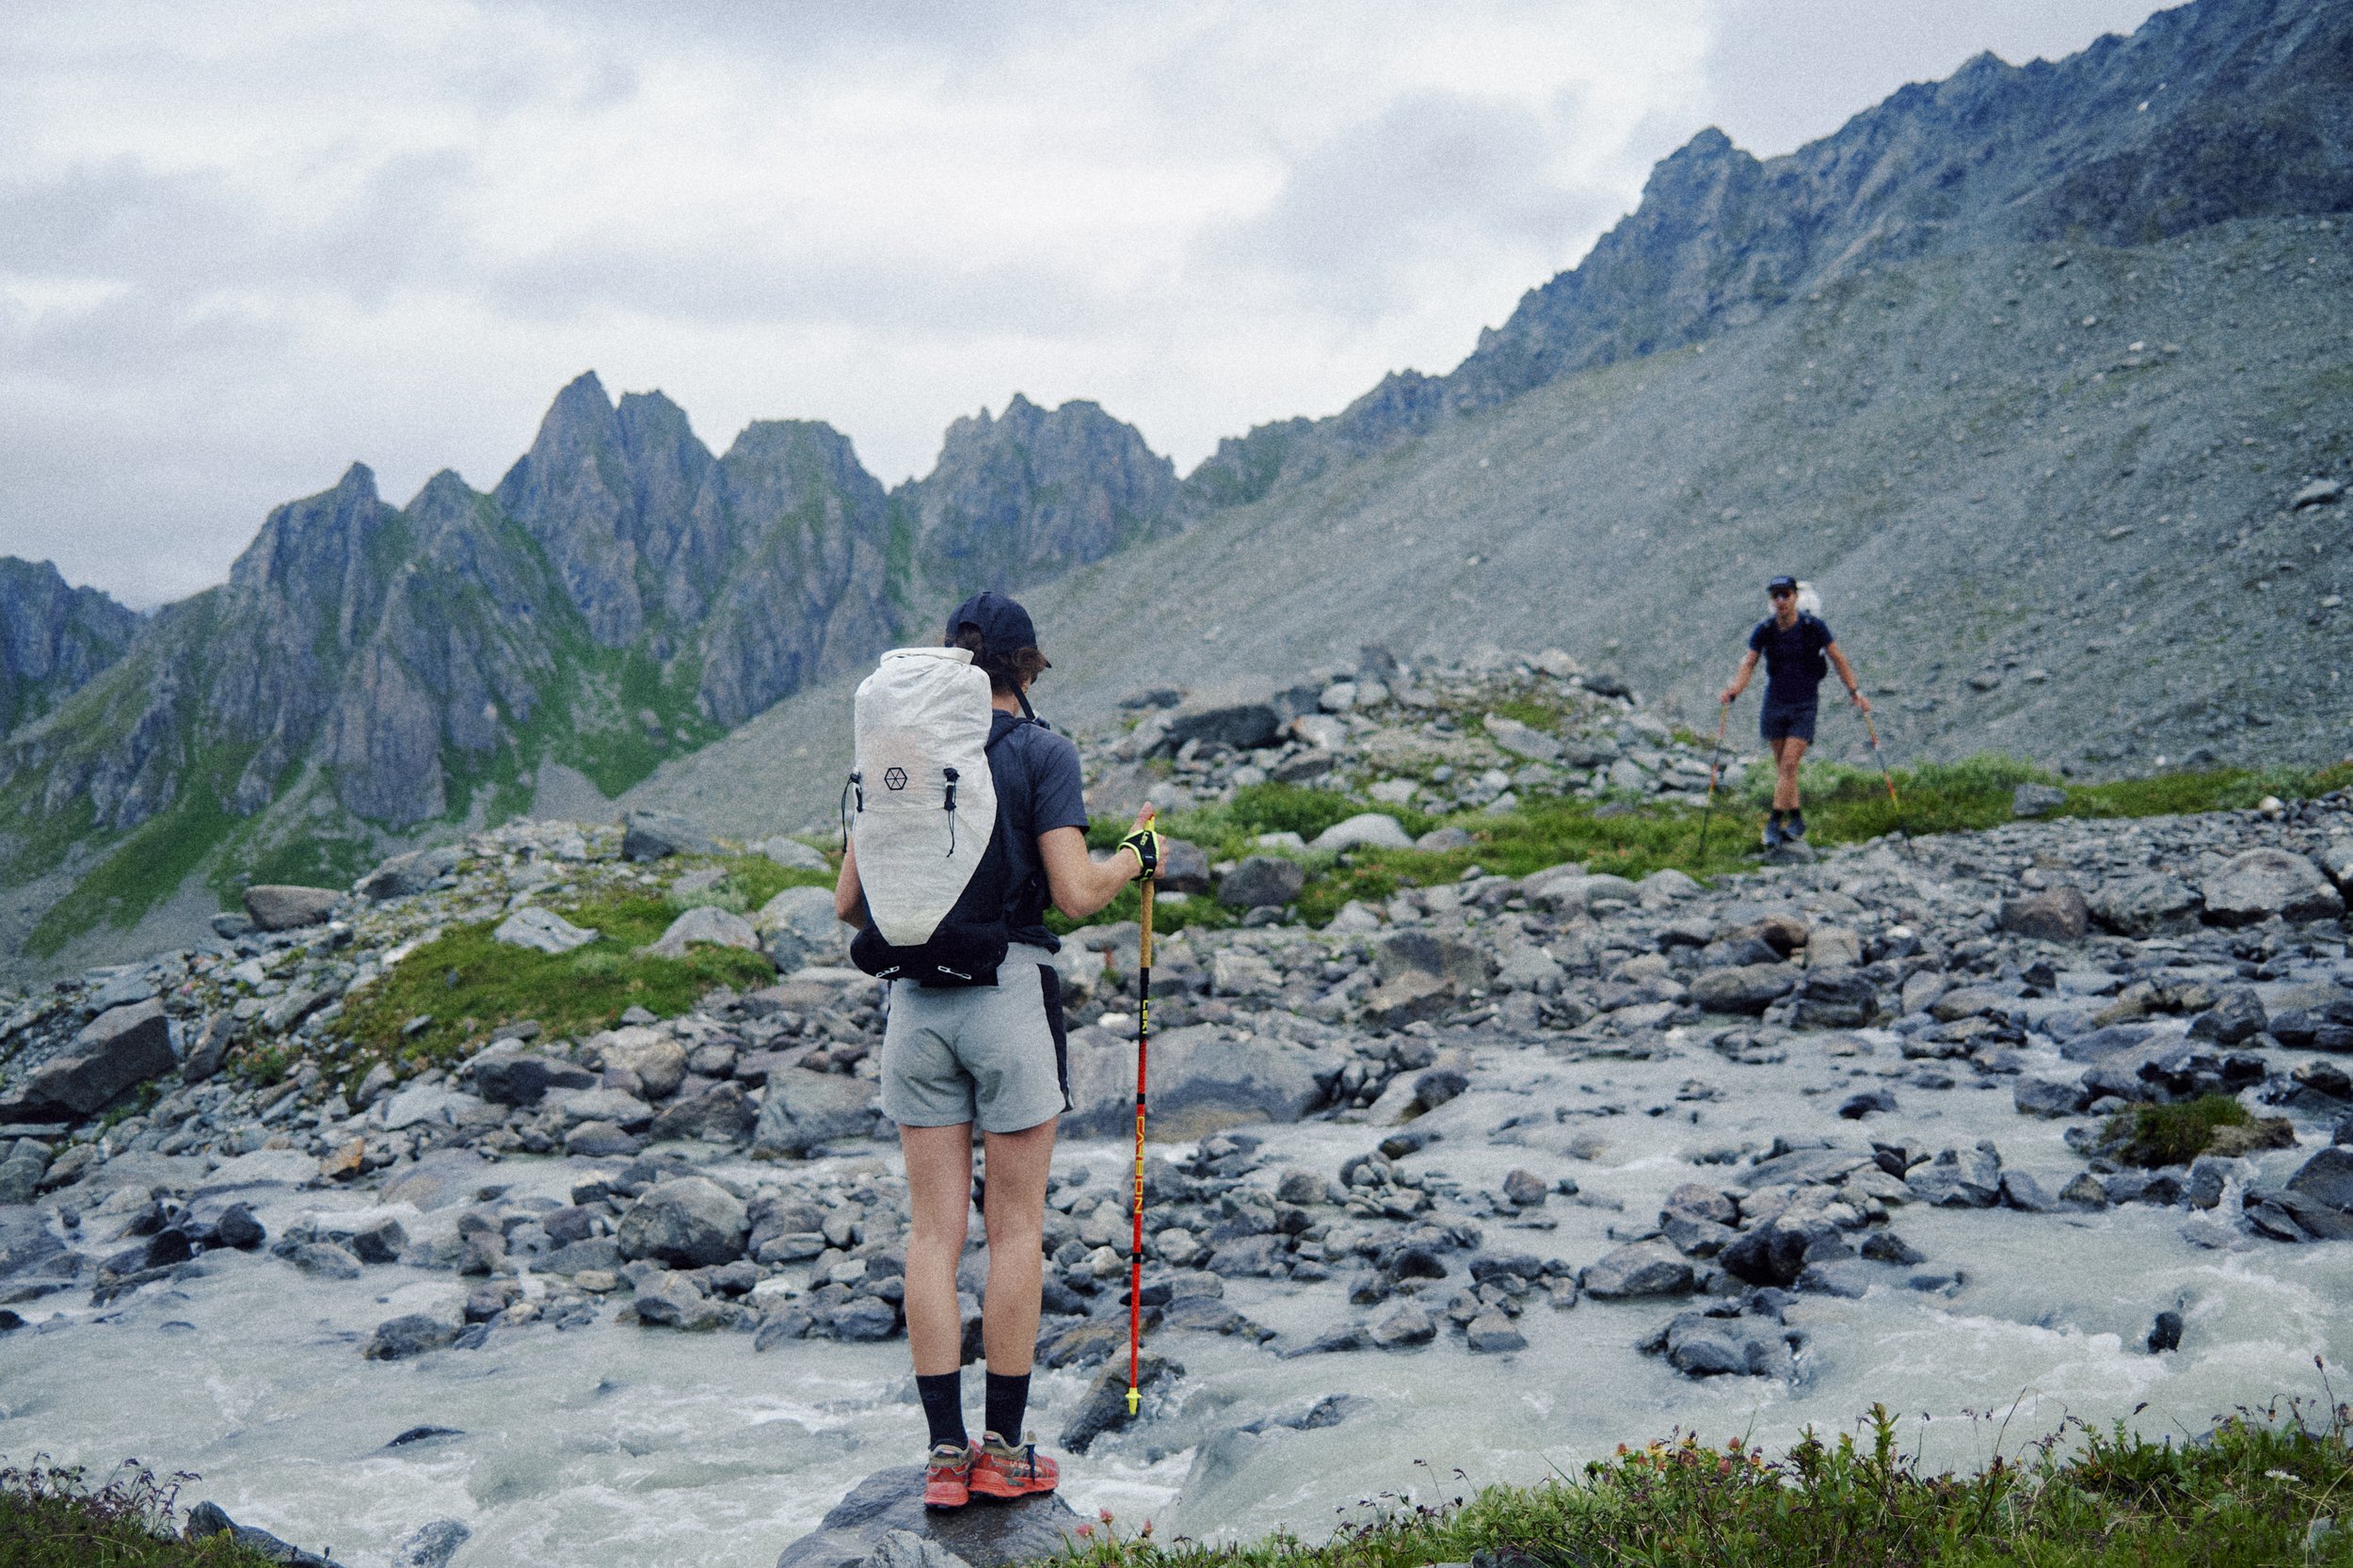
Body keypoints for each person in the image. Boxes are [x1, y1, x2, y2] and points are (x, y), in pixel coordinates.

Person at [832, 590, 1160, 1510]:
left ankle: (945, 1457)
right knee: (1015, 1230)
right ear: (1026, 666)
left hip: (914, 1009)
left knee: (932, 1235)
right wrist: (1137, 855)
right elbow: (1076, 893)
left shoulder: (896, 751)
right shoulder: (1044, 753)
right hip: (1008, 998)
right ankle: (1007, 1455)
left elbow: (849, 904)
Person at [1718, 574, 1868, 848]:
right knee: (1785, 769)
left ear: (1795, 597)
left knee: (1788, 765)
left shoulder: (1814, 627)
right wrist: (1734, 690)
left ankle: (1773, 823)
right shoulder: (1765, 630)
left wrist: (1854, 691)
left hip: (1804, 705)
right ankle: (1796, 819)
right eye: (1775, 595)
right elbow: (1749, 663)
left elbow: (1837, 658)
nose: (1780, 600)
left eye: (1785, 594)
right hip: (1775, 703)